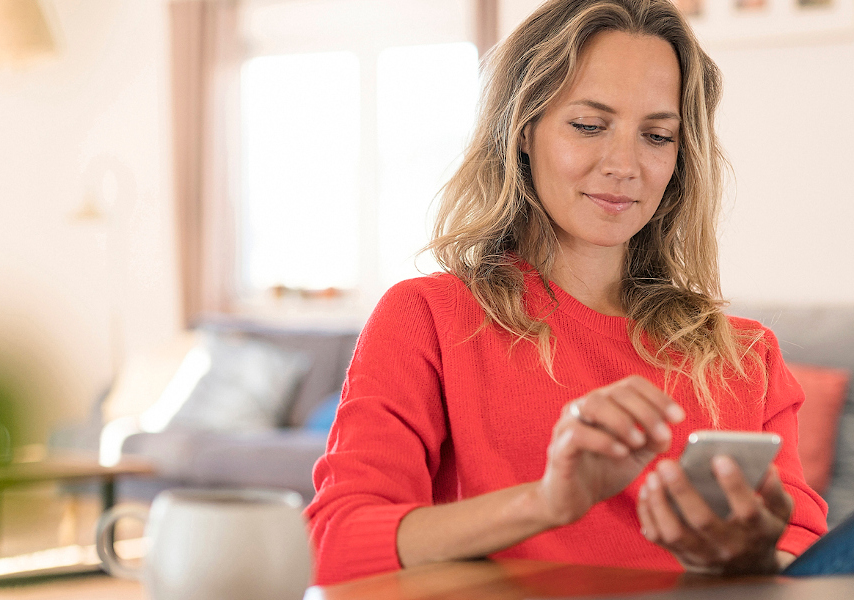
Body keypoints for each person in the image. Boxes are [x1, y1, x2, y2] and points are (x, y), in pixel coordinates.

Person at [304, 0, 828, 586]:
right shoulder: (428, 318)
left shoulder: (745, 356)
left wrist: (751, 558)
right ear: (523, 129)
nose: (624, 165)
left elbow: (806, 563)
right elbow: (339, 544)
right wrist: (547, 503)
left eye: (657, 136)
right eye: (588, 125)